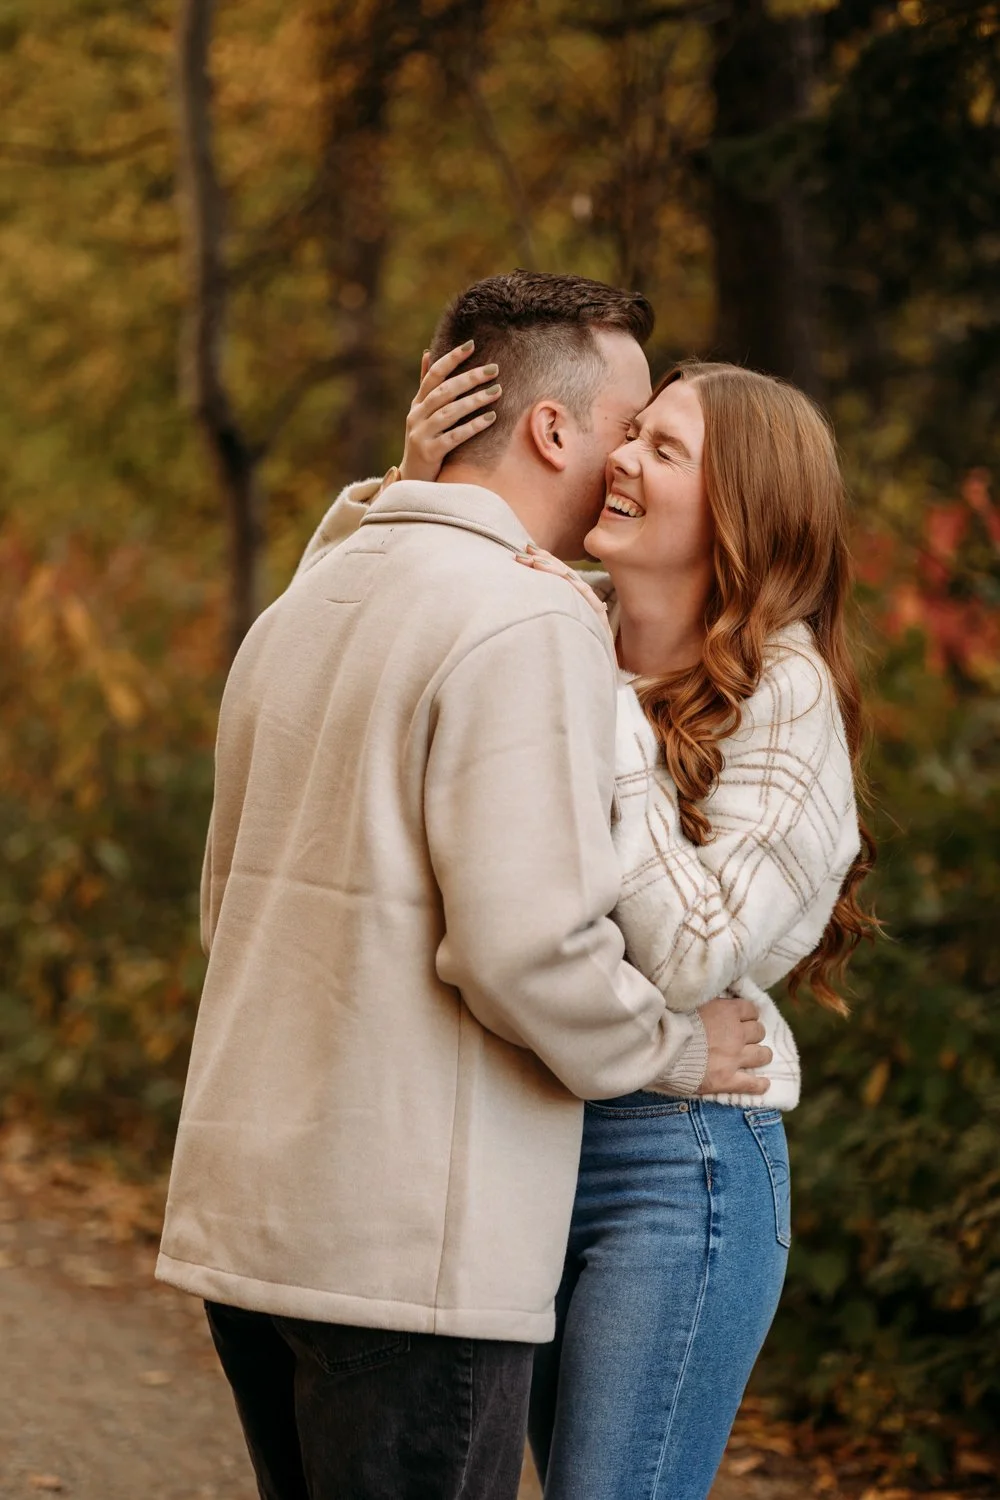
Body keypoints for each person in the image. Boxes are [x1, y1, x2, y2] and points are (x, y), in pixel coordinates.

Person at [155, 272, 771, 1500]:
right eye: (629, 423)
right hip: (405, 1263)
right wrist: (672, 1048)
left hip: (250, 1241)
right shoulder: (528, 619)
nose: (633, 461)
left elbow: (225, 909)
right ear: (554, 430)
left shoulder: (302, 603)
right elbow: (523, 948)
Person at [332, 347, 876, 1499]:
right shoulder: (551, 615)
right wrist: (418, 487)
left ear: (738, 510)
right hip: (520, 1131)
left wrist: (599, 699)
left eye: (662, 447)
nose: (619, 457)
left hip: (679, 1161)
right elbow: (342, 668)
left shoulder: (784, 692)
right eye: (632, 433)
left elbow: (691, 952)